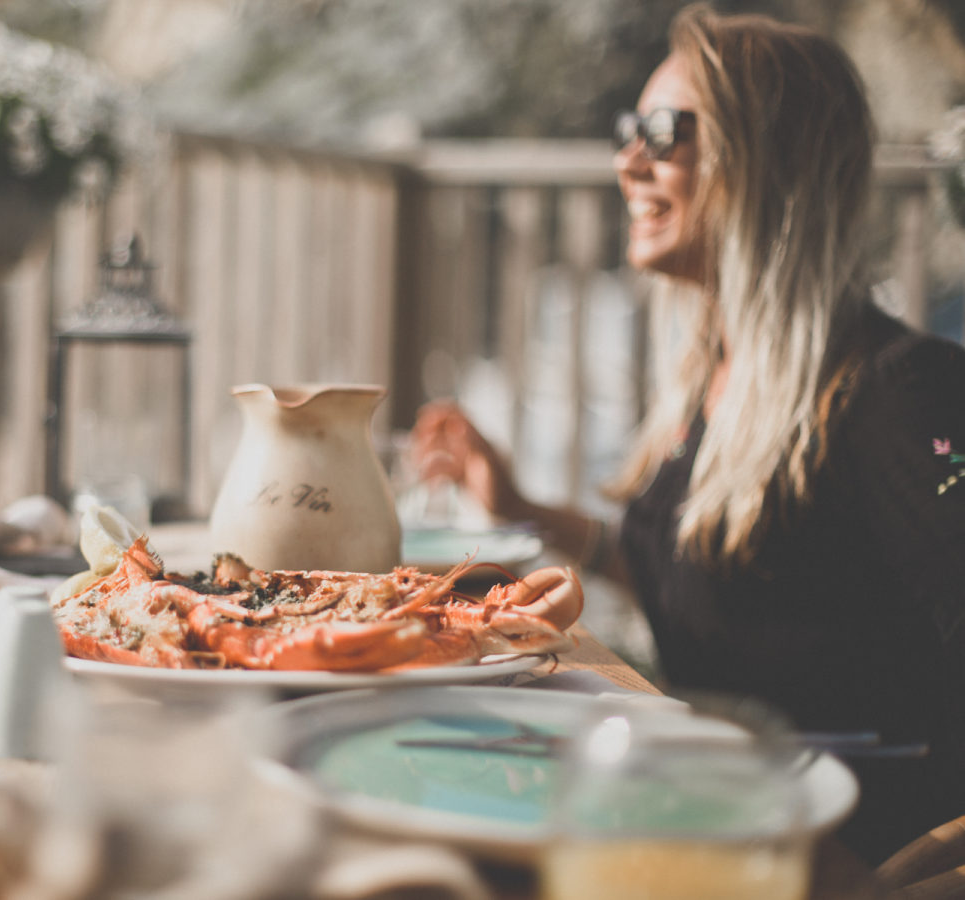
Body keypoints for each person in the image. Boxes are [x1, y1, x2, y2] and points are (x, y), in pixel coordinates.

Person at [411, 3, 965, 865]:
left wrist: (920, 869)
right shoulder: (726, 376)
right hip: (701, 803)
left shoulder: (901, 397)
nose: (628, 159)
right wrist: (526, 510)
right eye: (628, 128)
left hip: (809, 848)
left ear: (770, 161)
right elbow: (712, 574)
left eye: (664, 132)